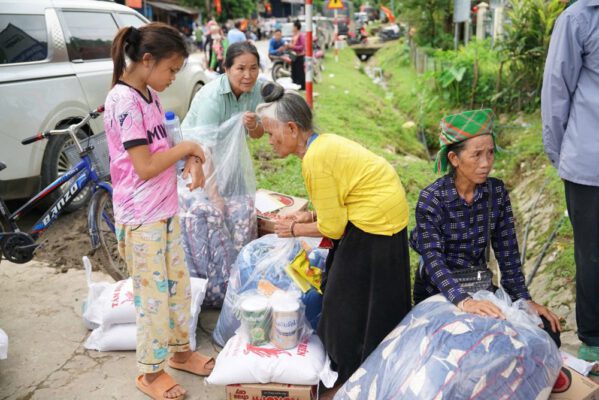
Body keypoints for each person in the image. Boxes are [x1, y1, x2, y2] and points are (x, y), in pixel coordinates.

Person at [258, 82, 412, 399]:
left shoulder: (316, 158)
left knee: (342, 304)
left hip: (375, 224)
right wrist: (308, 216)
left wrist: (294, 230)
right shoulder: (321, 146)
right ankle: (362, 365)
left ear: (291, 128)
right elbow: (336, 201)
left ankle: (348, 376)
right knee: (362, 298)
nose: (270, 141)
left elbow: (335, 228)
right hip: (384, 216)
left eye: (272, 134)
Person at [104, 23, 215, 400]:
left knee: (177, 289)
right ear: (147, 60)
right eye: (170, 69)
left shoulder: (148, 94)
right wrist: (186, 151)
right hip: (140, 218)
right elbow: (146, 166)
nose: (172, 78)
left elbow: (166, 141)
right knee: (152, 299)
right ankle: (150, 374)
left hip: (165, 209)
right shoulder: (123, 102)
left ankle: (180, 353)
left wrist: (190, 158)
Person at [410, 109, 561, 346]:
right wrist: (464, 301)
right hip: (440, 291)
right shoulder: (432, 198)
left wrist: (523, 300)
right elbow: (433, 260)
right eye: (477, 155)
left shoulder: (496, 193)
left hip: (480, 287)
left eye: (490, 153)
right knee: (463, 343)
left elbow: (508, 254)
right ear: (454, 159)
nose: (486, 163)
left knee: (546, 334)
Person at [541, 1, 599, 363]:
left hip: (583, 159)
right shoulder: (579, 18)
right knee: (592, 254)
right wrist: (560, 153)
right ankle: (593, 338)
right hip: (589, 166)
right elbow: (556, 90)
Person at [288, 20, 306, 90]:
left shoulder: (301, 36)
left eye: (293, 26)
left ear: (296, 27)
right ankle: (295, 85)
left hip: (299, 56)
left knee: (300, 72)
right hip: (293, 56)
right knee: (294, 71)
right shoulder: (294, 35)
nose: (292, 28)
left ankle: (302, 86)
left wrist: (293, 47)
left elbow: (302, 46)